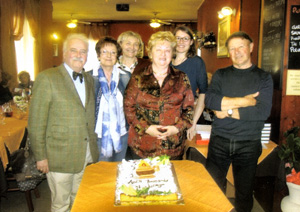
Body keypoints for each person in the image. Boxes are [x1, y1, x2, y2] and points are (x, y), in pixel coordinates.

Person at [28, 33, 99, 212]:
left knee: (79, 198)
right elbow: (36, 122)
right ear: (64, 53)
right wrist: (40, 156)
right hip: (58, 155)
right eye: (74, 50)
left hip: (85, 153)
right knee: (61, 204)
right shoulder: (47, 78)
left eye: (83, 51)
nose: (79, 55)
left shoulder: (89, 79)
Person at [205, 31, 273, 212]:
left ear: (251, 47)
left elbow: (261, 112)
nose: (237, 52)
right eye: (232, 49)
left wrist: (225, 109)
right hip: (219, 141)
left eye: (241, 47)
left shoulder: (264, 78)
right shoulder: (220, 74)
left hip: (248, 144)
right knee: (213, 189)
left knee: (244, 193)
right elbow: (210, 101)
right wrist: (246, 101)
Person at [124, 31, 194, 160]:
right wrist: (146, 128)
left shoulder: (181, 77)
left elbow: (189, 110)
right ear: (150, 53)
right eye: (158, 50)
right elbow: (129, 108)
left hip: (172, 147)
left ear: (172, 53)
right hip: (142, 146)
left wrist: (176, 128)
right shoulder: (138, 77)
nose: (163, 54)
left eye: (167, 50)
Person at [94, 36, 130, 161]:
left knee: (119, 171)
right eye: (104, 52)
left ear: (117, 56)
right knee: (102, 174)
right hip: (98, 135)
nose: (109, 55)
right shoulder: (89, 78)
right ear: (98, 55)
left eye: (113, 52)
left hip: (122, 134)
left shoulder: (126, 77)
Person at [172, 26, 208, 140]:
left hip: (185, 117)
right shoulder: (165, 60)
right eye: (178, 38)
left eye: (185, 38)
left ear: (191, 42)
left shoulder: (197, 62)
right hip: (164, 118)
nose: (181, 42)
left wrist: (193, 122)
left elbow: (203, 93)